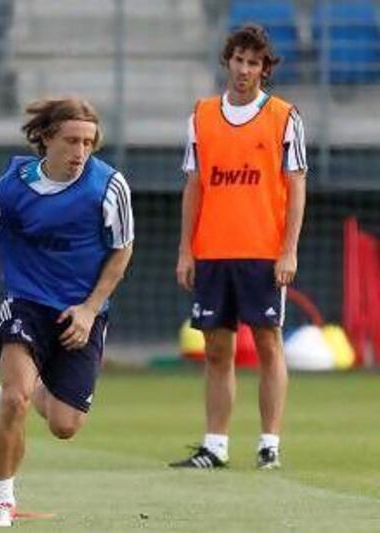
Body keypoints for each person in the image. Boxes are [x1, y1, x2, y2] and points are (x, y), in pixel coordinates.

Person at [0, 98, 134, 527]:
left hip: (80, 311)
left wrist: (90, 310)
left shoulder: (109, 186)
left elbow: (122, 250)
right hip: (26, 302)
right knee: (14, 401)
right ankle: (2, 499)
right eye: (72, 140)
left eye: (89, 142)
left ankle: (29, 389)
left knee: (65, 425)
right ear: (47, 137)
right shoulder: (11, 185)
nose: (80, 152)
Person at [171, 24, 307, 470]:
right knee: (216, 349)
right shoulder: (202, 115)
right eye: (239, 60)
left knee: (268, 344)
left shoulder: (286, 117)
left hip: (263, 252)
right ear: (227, 61)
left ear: (265, 69)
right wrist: (186, 250)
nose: (245, 69)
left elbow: (297, 185)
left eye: (254, 62)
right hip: (212, 250)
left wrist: (288, 250)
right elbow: (194, 186)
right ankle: (216, 445)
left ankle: (270, 443)